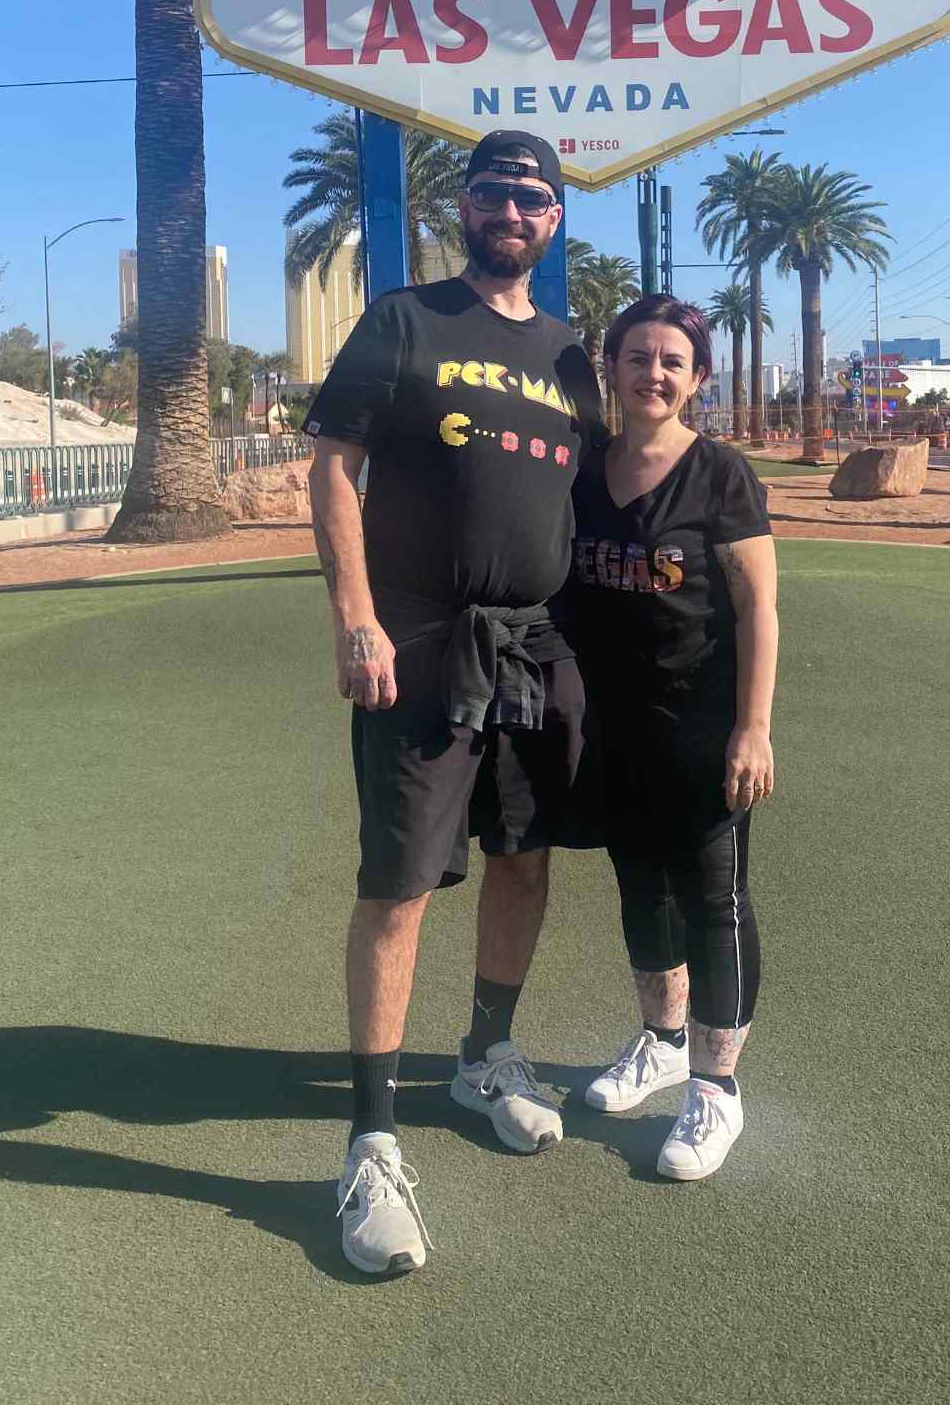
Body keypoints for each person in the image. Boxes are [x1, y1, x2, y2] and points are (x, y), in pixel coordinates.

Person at [305, 131, 601, 1276]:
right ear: (464, 205)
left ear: (555, 218)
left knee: (525, 856)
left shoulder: (576, 353)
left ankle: (486, 1054)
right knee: (399, 881)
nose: (513, 208)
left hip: (537, 644)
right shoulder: (403, 319)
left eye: (533, 195)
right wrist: (354, 615)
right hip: (420, 637)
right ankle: (370, 1139)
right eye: (495, 191)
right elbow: (334, 464)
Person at [569, 295, 778, 1180]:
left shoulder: (719, 472)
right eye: (637, 356)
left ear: (695, 378)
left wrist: (753, 727)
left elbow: (758, 604)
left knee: (714, 900)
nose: (653, 373)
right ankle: (660, 1042)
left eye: (672, 361)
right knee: (640, 887)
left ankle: (715, 1090)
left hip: (701, 725)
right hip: (610, 726)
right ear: (611, 368)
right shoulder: (584, 470)